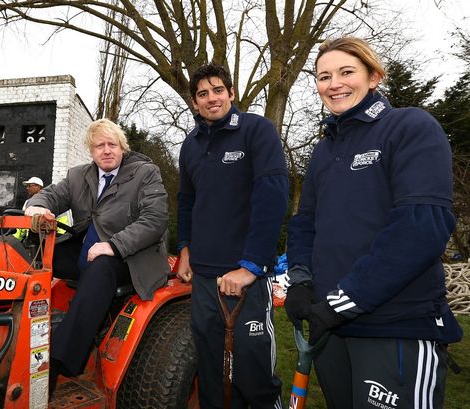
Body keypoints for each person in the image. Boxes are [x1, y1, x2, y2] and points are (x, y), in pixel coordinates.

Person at [285, 37, 463, 409]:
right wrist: (301, 280)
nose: (334, 83)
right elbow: (305, 224)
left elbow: (421, 225)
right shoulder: (325, 148)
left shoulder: (410, 126)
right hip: (329, 329)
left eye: (346, 72)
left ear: (374, 76)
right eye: (323, 76)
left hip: (395, 324)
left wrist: (344, 301)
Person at [25, 119, 170, 392]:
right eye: (99, 146)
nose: (106, 151)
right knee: (30, 254)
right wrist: (36, 208)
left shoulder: (145, 173)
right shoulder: (79, 175)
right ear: (91, 151)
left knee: (101, 267)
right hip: (87, 250)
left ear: (122, 148)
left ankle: (57, 362)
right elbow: (51, 196)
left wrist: (114, 245)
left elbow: (155, 220)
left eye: (112, 145)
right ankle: (14, 332)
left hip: (132, 256)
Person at [177, 63, 289, 409]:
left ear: (231, 93)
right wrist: (184, 248)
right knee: (211, 371)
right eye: (203, 94)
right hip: (204, 277)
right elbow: (187, 201)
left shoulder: (257, 130)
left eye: (218, 90)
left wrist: (251, 266)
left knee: (253, 374)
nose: (212, 99)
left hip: (245, 277)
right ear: (195, 102)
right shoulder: (191, 144)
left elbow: (272, 196)